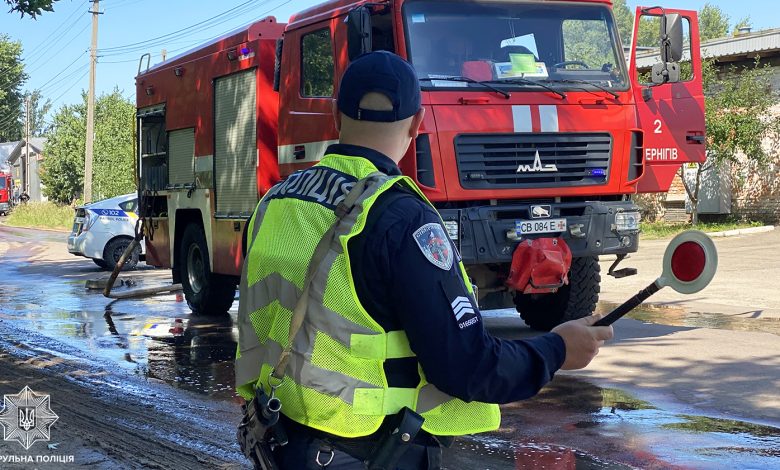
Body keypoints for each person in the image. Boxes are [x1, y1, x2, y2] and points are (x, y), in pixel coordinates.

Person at [235, 50, 613, 470]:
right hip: (366, 454)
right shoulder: (398, 217)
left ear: (336, 117)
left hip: (281, 438)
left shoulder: (275, 202)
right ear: (416, 124)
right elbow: (467, 366)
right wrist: (558, 349)